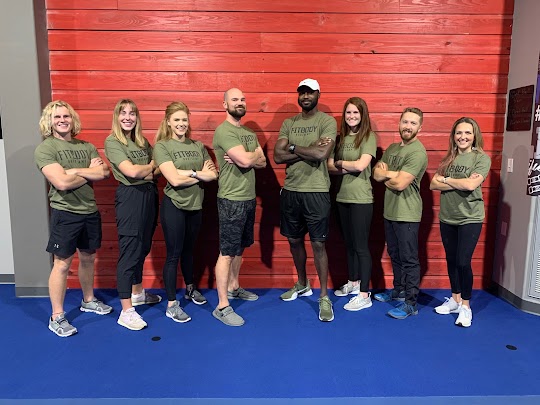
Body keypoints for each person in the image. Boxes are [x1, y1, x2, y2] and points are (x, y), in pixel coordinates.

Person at [34, 100, 112, 337]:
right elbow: (61, 182)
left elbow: (105, 172)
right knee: (62, 264)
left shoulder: (86, 146)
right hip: (65, 212)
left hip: (89, 211)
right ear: (49, 121)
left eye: (66, 116)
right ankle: (57, 316)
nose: (62, 120)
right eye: (57, 117)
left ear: (72, 119)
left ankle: (88, 300)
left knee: (88, 258)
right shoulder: (46, 149)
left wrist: (75, 171)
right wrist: (89, 172)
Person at [274, 78, 337, 322]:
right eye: (302, 93)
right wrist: (306, 149)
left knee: (318, 244)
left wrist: (292, 147)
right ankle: (302, 283)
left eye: (310, 92)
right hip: (291, 191)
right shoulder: (289, 123)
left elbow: (321, 154)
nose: (305, 96)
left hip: (317, 191)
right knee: (294, 240)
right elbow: (278, 156)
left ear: (318, 94)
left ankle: (323, 296)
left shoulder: (326, 122)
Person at [154, 101, 218, 323]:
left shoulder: (198, 146)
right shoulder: (162, 146)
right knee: (174, 254)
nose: (181, 123)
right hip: (174, 205)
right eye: (177, 120)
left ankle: (190, 288)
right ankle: (172, 304)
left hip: (195, 205)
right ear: (168, 122)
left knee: (189, 250)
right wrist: (197, 173)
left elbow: (213, 175)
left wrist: (187, 173)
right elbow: (173, 180)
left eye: (184, 119)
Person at [104, 99, 160, 331]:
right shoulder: (113, 141)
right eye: (123, 113)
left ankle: (137, 294)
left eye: (132, 113)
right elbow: (132, 171)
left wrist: (145, 171)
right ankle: (126, 311)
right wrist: (148, 167)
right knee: (129, 252)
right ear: (116, 117)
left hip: (149, 195)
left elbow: (156, 171)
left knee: (142, 248)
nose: (128, 117)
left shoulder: (142, 142)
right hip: (130, 198)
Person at [212, 88, 266, 327]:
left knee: (240, 247)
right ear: (225, 104)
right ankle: (222, 306)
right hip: (231, 199)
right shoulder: (224, 131)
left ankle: (234, 286)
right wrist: (250, 156)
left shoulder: (249, 133)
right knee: (226, 252)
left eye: (243, 99)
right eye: (234, 100)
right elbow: (248, 160)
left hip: (248, 198)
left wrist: (248, 157)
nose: (240, 103)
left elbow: (262, 162)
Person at [430, 117, 491, 327]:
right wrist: (459, 182)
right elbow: (433, 184)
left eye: (467, 133)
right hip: (448, 217)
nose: (462, 137)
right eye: (459, 133)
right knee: (451, 260)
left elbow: (471, 185)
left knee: (463, 261)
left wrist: (446, 180)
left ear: (474, 135)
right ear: (453, 136)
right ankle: (455, 300)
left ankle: (466, 306)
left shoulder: (481, 158)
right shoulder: (449, 158)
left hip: (470, 217)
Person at [372, 107, 428, 319]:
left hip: (407, 213)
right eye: (405, 122)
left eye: (413, 123)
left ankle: (411, 303)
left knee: (409, 258)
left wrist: (387, 174)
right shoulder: (392, 148)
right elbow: (376, 174)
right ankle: (398, 290)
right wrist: (392, 175)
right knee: (395, 254)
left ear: (419, 128)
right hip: (390, 211)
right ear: (399, 123)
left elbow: (400, 184)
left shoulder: (417, 152)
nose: (408, 126)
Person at [327, 97, 377, 311]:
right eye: (348, 112)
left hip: (361, 199)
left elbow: (361, 165)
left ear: (362, 115)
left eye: (356, 112)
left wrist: (341, 163)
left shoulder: (368, 137)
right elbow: (329, 167)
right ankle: (354, 282)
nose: (352, 116)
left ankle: (364, 294)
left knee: (361, 247)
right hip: (342, 197)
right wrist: (347, 165)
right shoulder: (340, 139)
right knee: (349, 244)